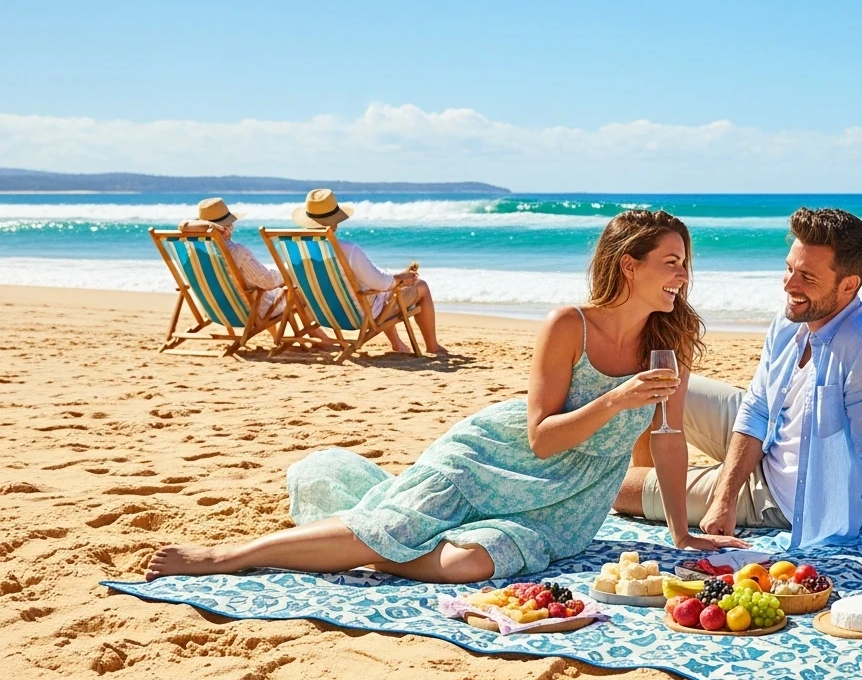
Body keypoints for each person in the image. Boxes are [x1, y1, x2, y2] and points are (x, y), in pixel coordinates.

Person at [146, 210, 744, 583]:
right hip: (494, 458)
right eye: (670, 262)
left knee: (466, 566)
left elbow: (666, 438)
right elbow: (540, 439)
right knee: (395, 526)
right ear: (627, 264)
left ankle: (363, 545)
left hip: (569, 499)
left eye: (685, 264)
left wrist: (681, 533)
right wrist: (617, 401)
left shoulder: (671, 336)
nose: (682, 276)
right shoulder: (570, 325)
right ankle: (229, 557)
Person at [615, 207, 862, 584]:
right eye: (790, 267)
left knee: (619, 490)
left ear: (848, 286)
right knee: (658, 381)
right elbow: (758, 408)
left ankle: (647, 481)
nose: (789, 284)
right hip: (773, 431)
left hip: (784, 493)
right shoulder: (791, 318)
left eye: (807, 276)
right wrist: (722, 499)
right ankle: (657, 472)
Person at [292, 189, 448, 355]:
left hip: (323, 314)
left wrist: (396, 277)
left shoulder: (296, 251)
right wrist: (400, 279)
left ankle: (398, 344)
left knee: (380, 290)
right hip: (359, 315)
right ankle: (433, 346)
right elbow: (380, 283)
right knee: (419, 286)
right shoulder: (348, 250)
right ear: (335, 221)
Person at [183, 197, 336, 350]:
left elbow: (183, 225)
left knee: (262, 293)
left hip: (215, 309)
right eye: (229, 224)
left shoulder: (194, 253)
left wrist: (211, 226)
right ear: (227, 227)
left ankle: (279, 338)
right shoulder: (237, 251)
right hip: (250, 311)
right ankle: (320, 338)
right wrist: (291, 270)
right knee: (297, 288)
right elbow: (268, 282)